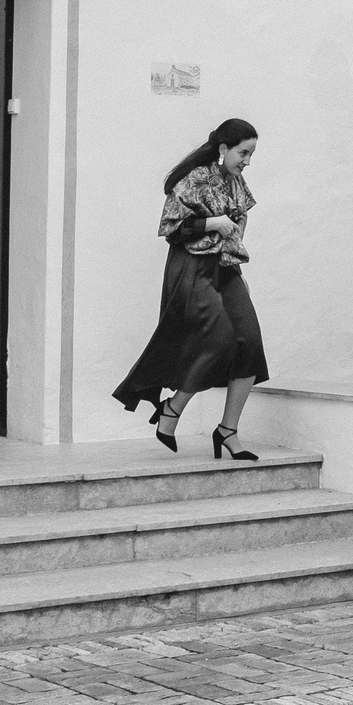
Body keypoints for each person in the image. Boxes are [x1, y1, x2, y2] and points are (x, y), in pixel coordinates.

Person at [113, 120, 270, 461]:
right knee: (218, 339)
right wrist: (214, 223)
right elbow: (172, 228)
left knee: (250, 346)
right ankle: (172, 409)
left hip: (226, 268)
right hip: (192, 266)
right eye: (243, 152)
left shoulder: (235, 181)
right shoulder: (193, 179)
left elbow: (238, 226)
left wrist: (236, 268)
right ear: (224, 148)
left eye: (251, 154)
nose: (247, 161)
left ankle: (227, 430)